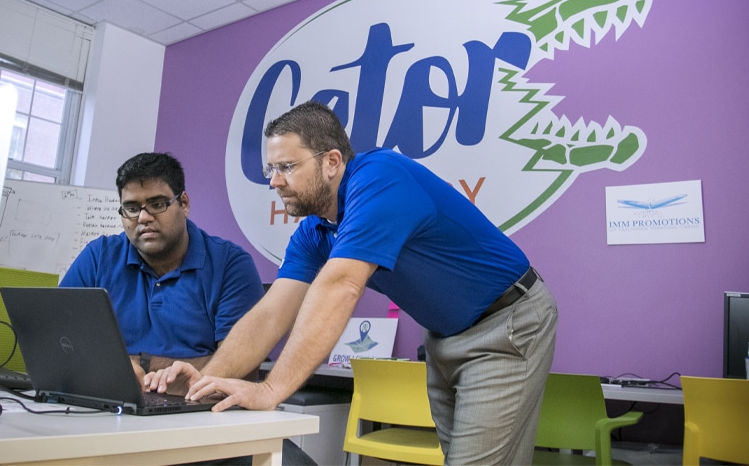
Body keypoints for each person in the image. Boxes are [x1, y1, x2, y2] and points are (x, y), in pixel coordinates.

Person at [146, 101, 559, 464]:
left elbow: (341, 285)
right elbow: (272, 312)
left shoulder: (380, 177)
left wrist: (272, 389)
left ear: (331, 162)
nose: (274, 181)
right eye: (270, 169)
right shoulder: (315, 232)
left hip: (507, 322)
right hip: (445, 336)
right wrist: (200, 390)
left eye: (287, 167)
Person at [59, 151, 265, 386]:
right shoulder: (98, 257)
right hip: (108, 403)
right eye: (132, 208)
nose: (144, 217)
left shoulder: (231, 265)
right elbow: (58, 345)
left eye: (157, 204)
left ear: (184, 204)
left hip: (196, 412)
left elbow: (243, 370)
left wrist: (143, 364)